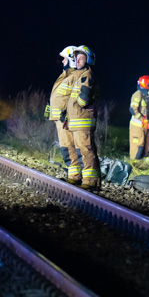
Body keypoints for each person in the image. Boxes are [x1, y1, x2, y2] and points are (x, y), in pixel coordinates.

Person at [61, 45, 100, 190]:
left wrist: (79, 101)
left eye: (81, 58)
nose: (77, 60)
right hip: (76, 121)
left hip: (83, 121)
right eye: (76, 57)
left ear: (88, 60)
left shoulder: (87, 75)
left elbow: (83, 99)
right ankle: (88, 179)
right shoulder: (80, 75)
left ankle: (90, 181)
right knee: (81, 150)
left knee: (85, 150)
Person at [44, 45, 80, 168]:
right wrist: (50, 106)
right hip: (60, 119)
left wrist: (67, 114)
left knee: (69, 149)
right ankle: (74, 175)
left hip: (66, 120)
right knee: (66, 149)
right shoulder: (66, 75)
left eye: (64, 58)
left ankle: (75, 178)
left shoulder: (75, 76)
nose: (62, 61)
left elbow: (76, 98)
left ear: (72, 59)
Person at [129, 75, 149, 162]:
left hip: (145, 125)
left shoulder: (146, 96)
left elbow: (148, 110)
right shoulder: (137, 94)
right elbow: (133, 110)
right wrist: (142, 118)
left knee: (148, 141)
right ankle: (135, 163)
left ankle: (145, 159)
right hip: (137, 125)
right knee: (138, 143)